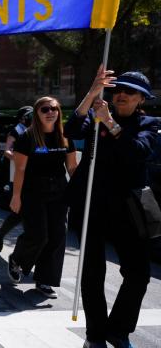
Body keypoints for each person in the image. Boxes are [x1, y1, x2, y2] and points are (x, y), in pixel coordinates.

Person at [65, 67, 159, 348]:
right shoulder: (97, 115)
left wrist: (110, 123)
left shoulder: (149, 123)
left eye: (129, 92)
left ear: (141, 99)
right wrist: (93, 91)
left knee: (138, 273)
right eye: (117, 89)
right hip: (92, 204)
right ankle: (95, 335)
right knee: (92, 273)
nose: (120, 95)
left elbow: (136, 152)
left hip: (128, 209)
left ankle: (118, 330)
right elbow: (71, 129)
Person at [6, 97, 76, 299]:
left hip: (59, 192)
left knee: (57, 236)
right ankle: (17, 259)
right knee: (39, 235)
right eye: (45, 109)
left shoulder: (65, 137)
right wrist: (16, 196)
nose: (50, 112)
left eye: (54, 108)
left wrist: (79, 190)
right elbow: (20, 169)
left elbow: (72, 167)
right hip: (32, 192)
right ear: (37, 113)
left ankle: (45, 280)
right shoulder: (27, 137)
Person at [0, 105, 33, 251]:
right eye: (27, 116)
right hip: (15, 173)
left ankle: (0, 234)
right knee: (21, 211)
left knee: (20, 212)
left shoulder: (36, 131)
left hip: (32, 176)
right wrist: (21, 159)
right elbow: (7, 152)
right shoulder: (16, 131)